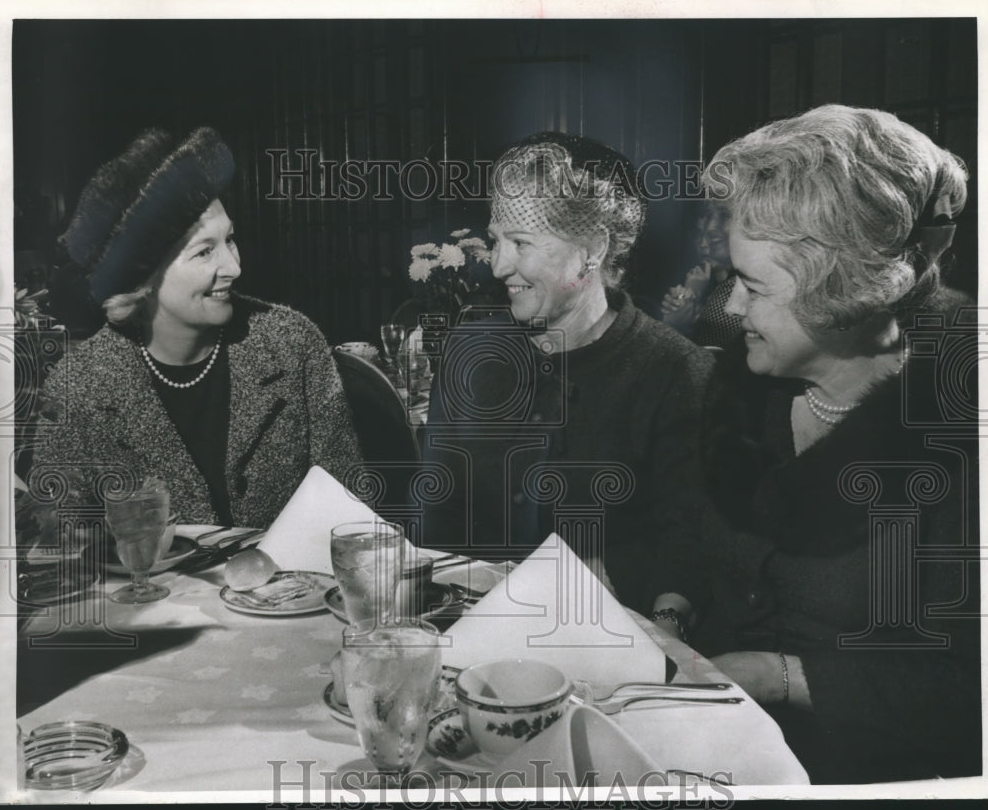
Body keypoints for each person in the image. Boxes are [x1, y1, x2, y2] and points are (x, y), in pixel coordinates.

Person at [648, 105, 980, 783]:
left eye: (751, 286)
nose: (731, 311)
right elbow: (691, 526)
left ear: (844, 293)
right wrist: (670, 613)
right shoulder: (743, 386)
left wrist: (780, 677)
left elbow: (970, 694)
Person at [419, 132, 713, 610]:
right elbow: (437, 511)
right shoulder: (471, 350)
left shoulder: (675, 372)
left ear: (591, 249)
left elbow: (689, 546)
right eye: (496, 240)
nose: (498, 265)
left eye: (521, 242)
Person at [32, 127, 362, 527]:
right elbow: (63, 545)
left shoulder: (293, 344)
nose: (234, 267)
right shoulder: (79, 387)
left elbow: (350, 514)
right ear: (144, 278)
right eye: (205, 251)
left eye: (231, 240)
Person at [659, 201, 743, 348]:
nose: (703, 244)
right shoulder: (707, 283)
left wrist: (674, 324)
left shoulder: (733, 288)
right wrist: (691, 297)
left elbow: (706, 350)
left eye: (714, 238)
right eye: (698, 236)